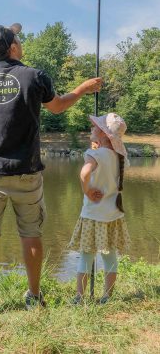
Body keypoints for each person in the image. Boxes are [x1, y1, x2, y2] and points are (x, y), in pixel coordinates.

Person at [0, 23, 102, 312]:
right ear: (13, 47)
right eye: (19, 39)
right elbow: (58, 106)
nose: (21, 41)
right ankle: (34, 297)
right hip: (26, 172)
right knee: (30, 233)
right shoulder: (35, 76)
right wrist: (82, 89)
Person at [68, 112, 131, 304]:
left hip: (93, 215)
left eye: (95, 126)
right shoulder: (119, 157)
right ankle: (107, 297)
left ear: (104, 134)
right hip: (112, 215)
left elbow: (84, 173)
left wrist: (87, 190)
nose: (91, 128)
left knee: (86, 256)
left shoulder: (94, 155)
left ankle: (80, 297)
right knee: (110, 256)